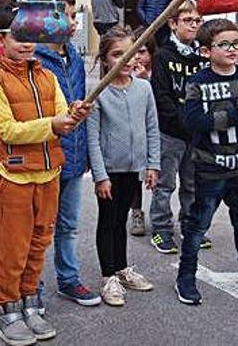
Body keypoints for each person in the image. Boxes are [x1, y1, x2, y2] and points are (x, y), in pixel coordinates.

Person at [0, 4, 92, 345]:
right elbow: (8, 130)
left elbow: (62, 114)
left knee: (38, 245)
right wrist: (53, 125)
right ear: (1, 39)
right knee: (14, 248)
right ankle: (6, 308)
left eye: (32, 36)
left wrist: (74, 114)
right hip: (15, 177)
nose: (27, 43)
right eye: (19, 36)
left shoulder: (47, 75)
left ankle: (30, 301)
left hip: (49, 175)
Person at [175, 18, 238, 306]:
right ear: (207, 51)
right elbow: (192, 121)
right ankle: (185, 276)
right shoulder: (198, 82)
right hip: (209, 169)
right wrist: (235, 114)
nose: (232, 49)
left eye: (236, 43)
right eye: (224, 45)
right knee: (198, 226)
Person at [32, 0, 102, 307]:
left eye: (74, 14)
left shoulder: (73, 54)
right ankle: (31, 287)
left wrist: (85, 150)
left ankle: (69, 280)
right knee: (38, 228)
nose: (74, 21)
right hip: (44, 158)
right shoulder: (32, 59)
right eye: (67, 14)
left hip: (73, 157)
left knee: (69, 226)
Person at [88, 27, 159, 306]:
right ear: (105, 59)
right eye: (118, 54)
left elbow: (152, 128)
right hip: (109, 171)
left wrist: (152, 164)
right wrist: (100, 176)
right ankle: (108, 276)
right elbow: (92, 139)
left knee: (121, 221)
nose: (126, 59)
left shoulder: (144, 87)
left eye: (131, 52)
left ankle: (122, 267)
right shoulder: (98, 93)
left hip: (133, 169)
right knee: (108, 221)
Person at [149, 0, 209, 254]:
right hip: (171, 132)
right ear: (173, 24)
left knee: (192, 182)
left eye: (197, 20)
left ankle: (189, 223)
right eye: (187, 20)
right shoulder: (163, 55)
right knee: (165, 183)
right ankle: (161, 228)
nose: (193, 25)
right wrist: (182, 121)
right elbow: (161, 94)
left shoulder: (202, 56)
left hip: (196, 134)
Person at [128, 25, 156, 236]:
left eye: (142, 52)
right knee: (135, 175)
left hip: (154, 131)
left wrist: (146, 79)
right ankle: (136, 211)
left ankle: (160, 213)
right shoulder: (125, 72)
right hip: (134, 133)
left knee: (158, 175)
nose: (137, 57)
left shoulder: (155, 73)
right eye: (134, 51)